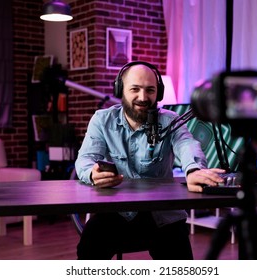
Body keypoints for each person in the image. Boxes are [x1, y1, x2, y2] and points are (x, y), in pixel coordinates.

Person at [75, 61, 226, 260]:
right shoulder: (102, 120)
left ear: (158, 93)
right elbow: (85, 159)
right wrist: (92, 174)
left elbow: (187, 144)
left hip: (162, 216)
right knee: (88, 250)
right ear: (120, 90)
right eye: (135, 89)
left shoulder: (171, 120)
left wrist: (193, 170)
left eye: (150, 90)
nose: (143, 97)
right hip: (115, 213)